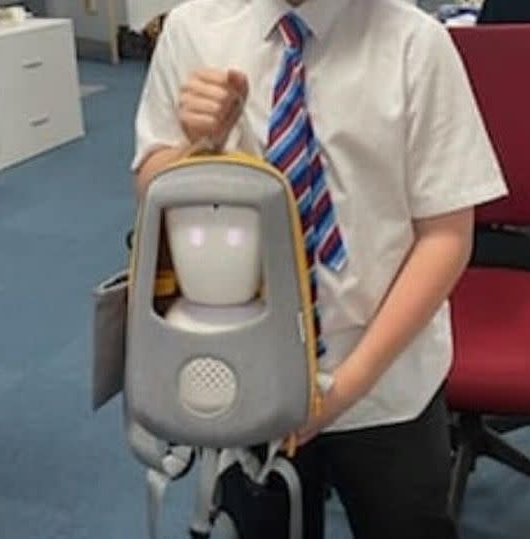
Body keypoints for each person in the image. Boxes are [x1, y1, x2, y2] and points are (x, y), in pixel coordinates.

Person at [131, 0, 508, 537]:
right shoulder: (195, 29)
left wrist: (345, 388)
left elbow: (446, 236)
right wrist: (198, 143)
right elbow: (151, 194)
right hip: (249, 367)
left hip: (385, 378)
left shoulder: (414, 43)